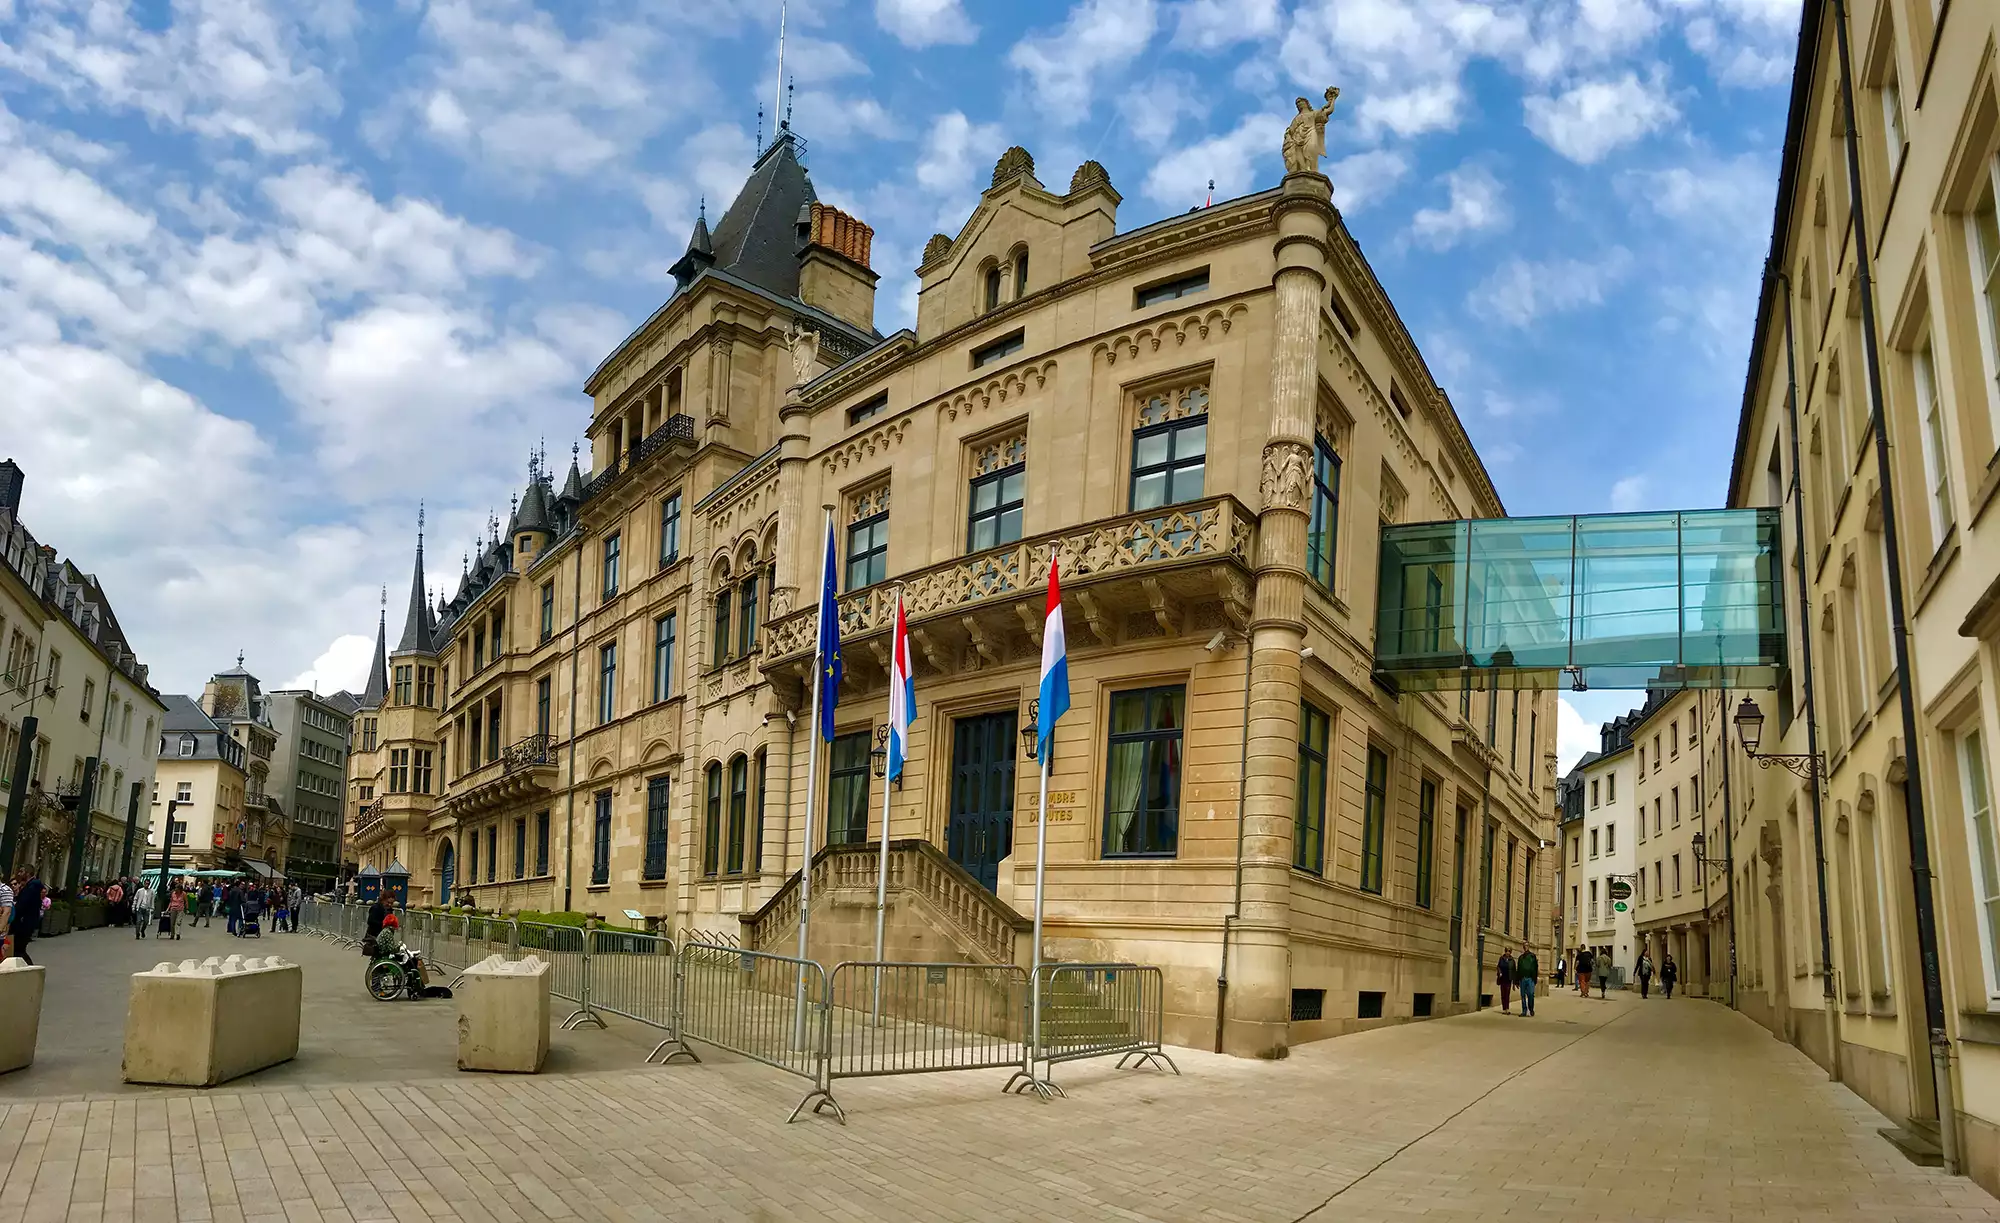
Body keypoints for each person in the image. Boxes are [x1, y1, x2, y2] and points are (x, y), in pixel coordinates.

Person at [10, 868, 44, 965]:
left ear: (28, 873)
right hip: (26, 922)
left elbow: (23, 905)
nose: (19, 873)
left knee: (18, 949)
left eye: (21, 871)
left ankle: (31, 970)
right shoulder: (31, 886)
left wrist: (16, 911)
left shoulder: (31, 887)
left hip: (24, 923)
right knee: (18, 949)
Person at [1516, 945, 1540, 1017]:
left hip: (1530, 978)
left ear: (1528, 947)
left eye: (1526, 946)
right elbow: (1518, 969)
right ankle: (1524, 1011)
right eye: (1524, 946)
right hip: (1522, 978)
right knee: (1523, 995)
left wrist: (1535, 979)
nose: (1525, 947)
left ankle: (1531, 1008)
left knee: (1531, 994)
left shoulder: (1532, 956)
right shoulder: (1521, 958)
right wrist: (1517, 981)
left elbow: (1535, 968)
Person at [1496, 948, 1515, 1014]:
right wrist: (1500, 972)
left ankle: (1507, 1008)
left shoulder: (1512, 960)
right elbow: (1498, 966)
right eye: (1506, 951)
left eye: (1509, 951)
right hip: (1502, 979)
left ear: (1510, 952)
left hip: (1508, 979)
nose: (1507, 953)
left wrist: (1514, 981)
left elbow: (1514, 970)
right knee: (1503, 994)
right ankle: (1504, 1008)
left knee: (1507, 994)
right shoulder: (1501, 958)